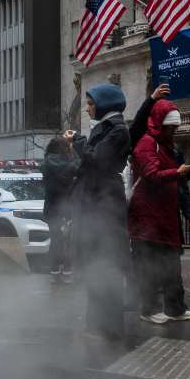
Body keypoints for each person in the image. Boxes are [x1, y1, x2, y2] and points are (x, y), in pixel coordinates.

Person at [128, 99, 190, 324]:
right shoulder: (147, 144)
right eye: (171, 128)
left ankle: (175, 307)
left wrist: (184, 175)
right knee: (149, 265)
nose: (174, 132)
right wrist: (178, 173)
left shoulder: (167, 146)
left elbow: (171, 179)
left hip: (165, 216)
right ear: (161, 125)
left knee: (171, 263)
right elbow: (152, 175)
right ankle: (149, 308)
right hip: (147, 218)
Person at [71, 83, 131, 340]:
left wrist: (77, 141)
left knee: (106, 265)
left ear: (105, 103)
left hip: (105, 204)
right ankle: (96, 325)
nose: (87, 109)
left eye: (91, 104)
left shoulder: (117, 130)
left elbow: (96, 160)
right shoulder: (107, 128)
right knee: (96, 265)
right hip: (96, 202)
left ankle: (109, 328)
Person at [41, 133, 81, 280]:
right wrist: (72, 147)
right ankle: (68, 269)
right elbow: (79, 164)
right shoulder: (71, 164)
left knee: (55, 238)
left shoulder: (45, 164)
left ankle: (54, 270)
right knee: (68, 240)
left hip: (52, 207)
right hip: (68, 207)